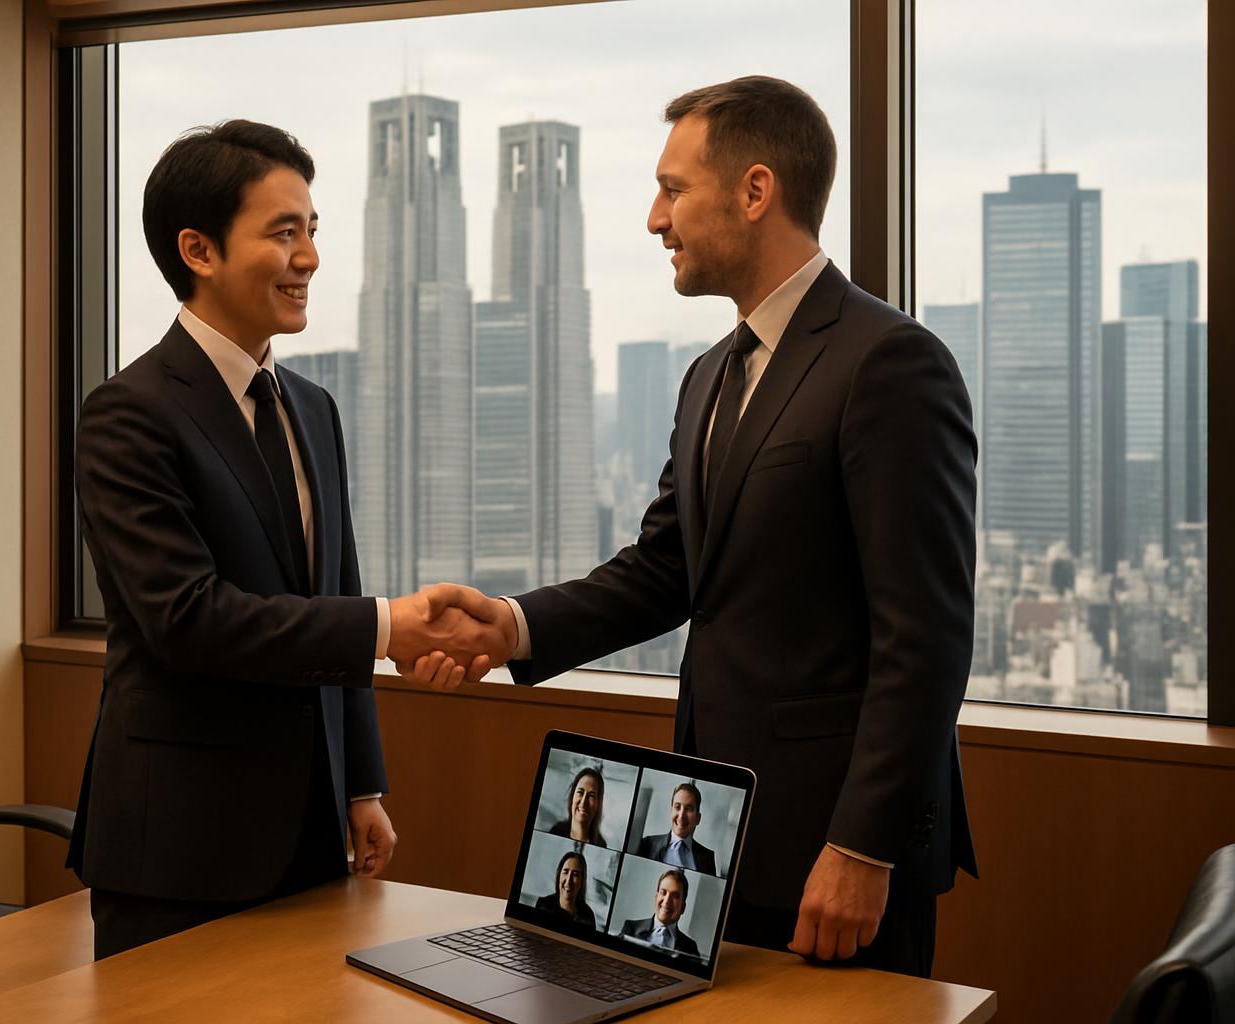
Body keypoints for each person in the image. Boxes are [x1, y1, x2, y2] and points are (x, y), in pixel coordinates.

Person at [406, 76, 978, 978]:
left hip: (836, 852)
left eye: (673, 190)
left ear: (756, 191)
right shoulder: (711, 374)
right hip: (714, 829)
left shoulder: (891, 362)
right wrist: (510, 625)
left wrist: (863, 849)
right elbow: (666, 569)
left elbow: (928, 636)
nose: (653, 219)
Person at [67, 120, 504, 959]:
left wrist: (362, 782)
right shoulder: (128, 414)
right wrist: (390, 628)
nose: (308, 257)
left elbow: (333, 593)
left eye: (312, 231)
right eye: (283, 232)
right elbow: (187, 619)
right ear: (198, 249)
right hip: (179, 847)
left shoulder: (311, 406)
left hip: (310, 830)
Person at [636, 782, 717, 874]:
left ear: (698, 818)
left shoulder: (707, 857)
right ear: (671, 811)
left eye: (689, 809)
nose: (681, 816)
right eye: (677, 807)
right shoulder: (647, 844)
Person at [618, 870, 699, 957]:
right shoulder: (631, 928)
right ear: (656, 897)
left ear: (683, 907)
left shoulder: (690, 947)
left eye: (675, 896)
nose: (667, 901)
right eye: (663, 892)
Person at [533, 850, 596, 926]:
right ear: (559, 875)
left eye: (575, 874)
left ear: (582, 881)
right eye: (565, 872)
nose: (569, 880)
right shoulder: (543, 905)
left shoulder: (588, 916)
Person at [548, 766, 607, 846]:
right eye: (580, 792)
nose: (583, 802)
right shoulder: (556, 831)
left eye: (591, 795)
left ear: (598, 803)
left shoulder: (600, 844)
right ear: (572, 796)